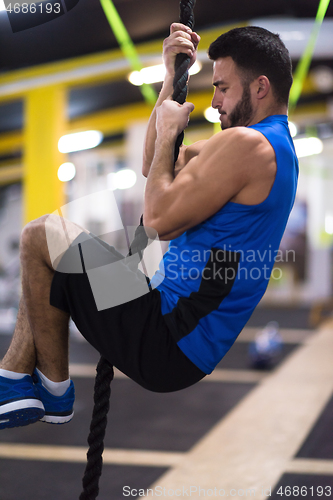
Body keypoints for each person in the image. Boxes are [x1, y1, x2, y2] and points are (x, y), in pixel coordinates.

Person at [0, 23, 298, 430]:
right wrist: (170, 79)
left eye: (223, 88)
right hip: (169, 325)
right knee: (48, 255)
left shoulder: (249, 146)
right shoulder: (274, 146)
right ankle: (33, 387)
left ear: (260, 87)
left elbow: (157, 220)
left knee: (40, 236)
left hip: (169, 333)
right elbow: (155, 165)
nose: (213, 103)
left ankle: (39, 386)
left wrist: (172, 130)